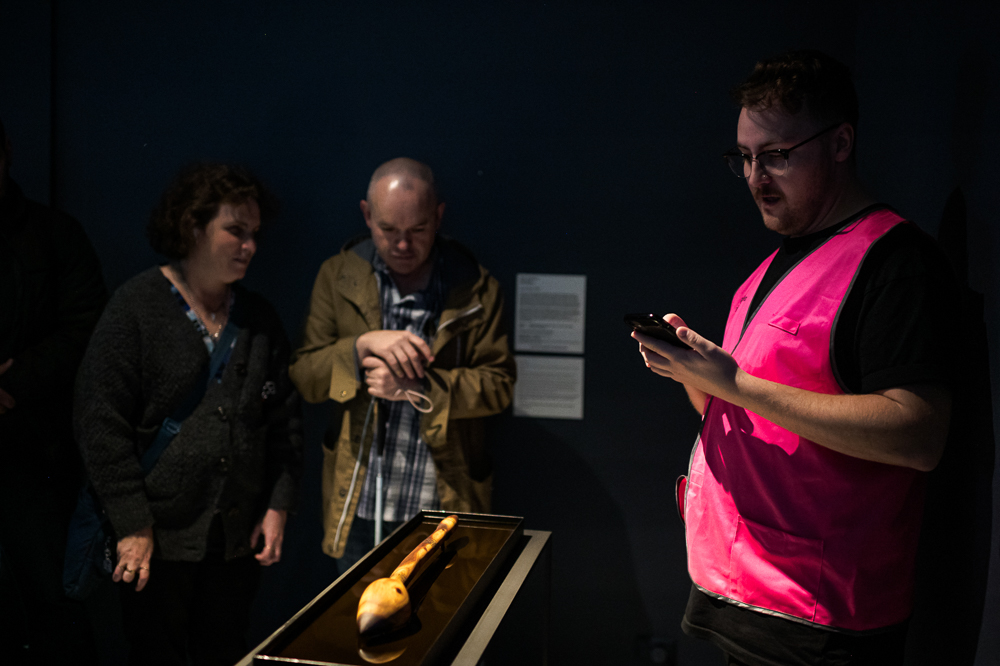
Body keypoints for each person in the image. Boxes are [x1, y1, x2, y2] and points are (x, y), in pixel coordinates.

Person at [633, 51, 958, 666]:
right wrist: (694, 374)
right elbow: (753, 411)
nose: (755, 177)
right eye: (744, 157)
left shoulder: (894, 262)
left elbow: (918, 435)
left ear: (840, 143)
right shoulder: (769, 267)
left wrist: (736, 384)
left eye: (777, 155)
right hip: (746, 593)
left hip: (820, 618)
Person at [74, 163, 302, 665]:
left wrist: (278, 504)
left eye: (254, 234)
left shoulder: (258, 318)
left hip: (233, 538)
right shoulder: (137, 307)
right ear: (194, 227)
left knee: (225, 651)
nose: (249, 246)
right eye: (235, 231)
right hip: (157, 539)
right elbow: (100, 422)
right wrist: (133, 523)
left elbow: (285, 421)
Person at [290, 157, 515, 568]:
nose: (403, 245)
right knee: (357, 606)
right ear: (366, 215)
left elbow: (498, 385)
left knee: (444, 607)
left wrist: (420, 389)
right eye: (388, 230)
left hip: (442, 498)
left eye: (418, 230)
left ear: (438, 217)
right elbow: (306, 376)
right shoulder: (338, 276)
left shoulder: (475, 287)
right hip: (359, 499)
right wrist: (360, 347)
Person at [0, 117, 104, 664]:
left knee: (51, 599)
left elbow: (88, 326)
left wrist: (16, 381)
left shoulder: (54, 234)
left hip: (37, 450)